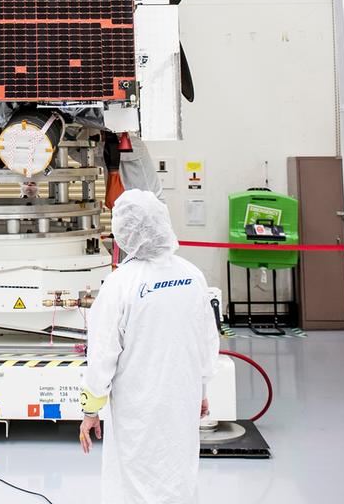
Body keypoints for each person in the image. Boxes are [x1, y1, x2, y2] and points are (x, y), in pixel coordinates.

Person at [79, 190, 219, 504]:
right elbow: (207, 341)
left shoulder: (120, 284)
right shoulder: (192, 275)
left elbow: (102, 355)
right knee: (178, 472)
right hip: (182, 397)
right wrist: (202, 390)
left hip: (137, 406)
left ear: (123, 231)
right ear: (162, 222)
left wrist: (90, 411)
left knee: (134, 477)